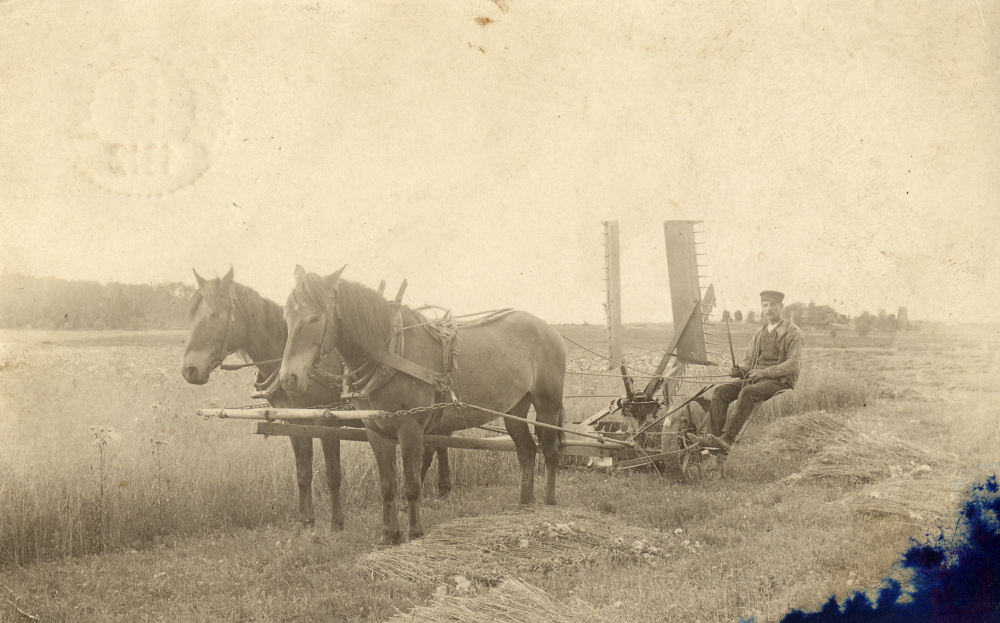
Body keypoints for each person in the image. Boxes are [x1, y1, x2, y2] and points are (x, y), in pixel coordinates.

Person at [688, 290, 804, 453]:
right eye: (765, 305)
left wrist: (764, 373)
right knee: (720, 391)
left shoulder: (793, 332)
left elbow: (793, 364)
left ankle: (726, 440)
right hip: (756, 378)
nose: (768, 309)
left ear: (781, 307)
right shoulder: (760, 332)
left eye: (773, 305)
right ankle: (712, 440)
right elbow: (749, 360)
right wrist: (741, 369)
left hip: (780, 380)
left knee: (748, 392)